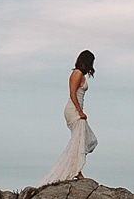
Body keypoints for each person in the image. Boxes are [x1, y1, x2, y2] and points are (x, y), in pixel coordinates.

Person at [40, 50, 97, 184]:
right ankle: (77, 170)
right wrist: (79, 112)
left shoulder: (80, 74)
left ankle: (76, 169)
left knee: (85, 139)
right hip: (73, 110)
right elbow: (72, 94)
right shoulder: (77, 73)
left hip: (76, 109)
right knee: (79, 140)